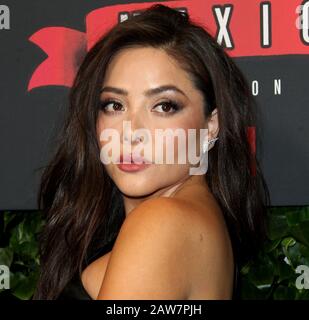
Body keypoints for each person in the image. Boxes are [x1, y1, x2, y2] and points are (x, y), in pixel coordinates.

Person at [32, 4, 270, 300]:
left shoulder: (164, 224)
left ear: (211, 125)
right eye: (114, 105)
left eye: (164, 106)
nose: (131, 132)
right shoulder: (192, 220)